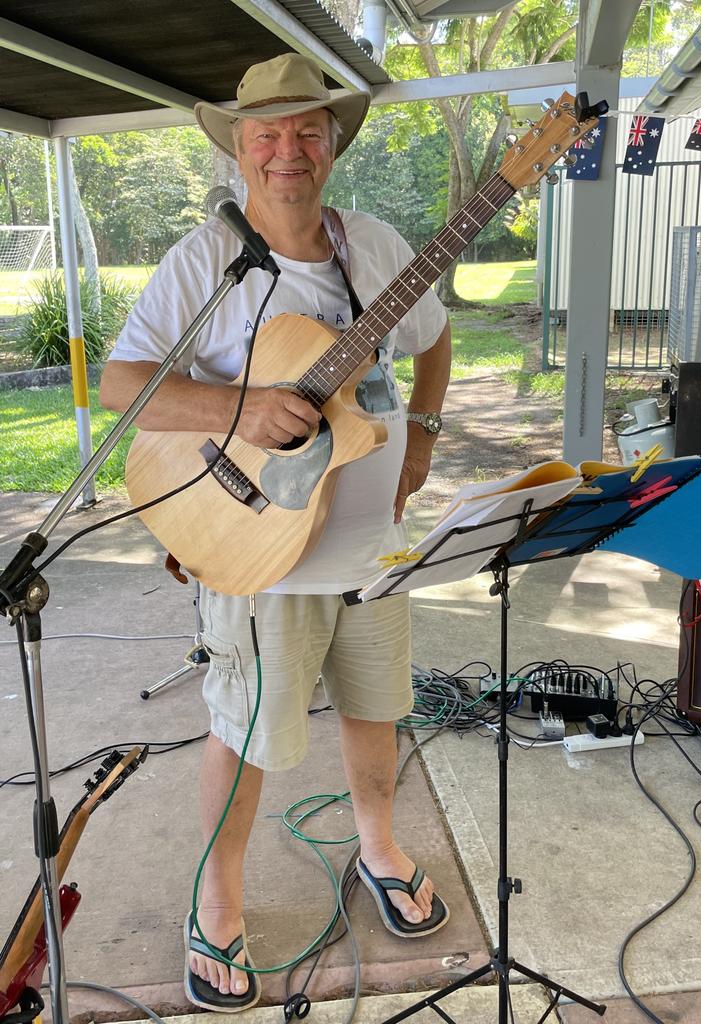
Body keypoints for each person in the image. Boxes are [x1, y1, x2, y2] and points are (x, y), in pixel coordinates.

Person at [100, 52, 452, 1013]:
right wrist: (242, 406)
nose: (287, 148)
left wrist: (420, 432)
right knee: (245, 727)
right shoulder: (205, 259)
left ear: (332, 143)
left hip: (371, 540)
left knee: (378, 705)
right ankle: (217, 898)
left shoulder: (374, 244)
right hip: (260, 542)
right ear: (240, 149)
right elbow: (122, 386)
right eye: (269, 132)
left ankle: (376, 844)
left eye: (307, 128)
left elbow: (433, 335)